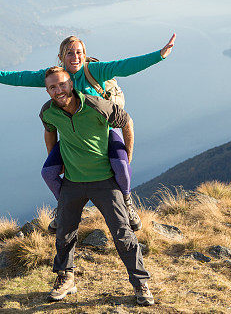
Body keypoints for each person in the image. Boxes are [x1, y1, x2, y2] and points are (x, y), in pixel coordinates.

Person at [0, 33, 175, 231]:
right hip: (72, 138)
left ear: (85, 54)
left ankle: (127, 202)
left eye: (79, 52)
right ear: (61, 56)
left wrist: (159, 55)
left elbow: (126, 66)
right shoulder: (54, 76)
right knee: (48, 173)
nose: (75, 56)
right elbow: (19, 77)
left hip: (103, 132)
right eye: (70, 52)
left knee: (121, 165)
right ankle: (65, 205)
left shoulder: (95, 70)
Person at [39, 66, 154, 305]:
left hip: (104, 181)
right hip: (72, 181)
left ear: (71, 84)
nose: (58, 90)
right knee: (64, 234)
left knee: (123, 235)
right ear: (47, 90)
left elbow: (127, 121)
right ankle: (66, 279)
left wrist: (127, 158)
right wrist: (55, 158)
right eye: (52, 87)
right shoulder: (48, 112)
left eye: (62, 84)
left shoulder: (96, 106)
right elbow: (49, 131)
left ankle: (140, 283)